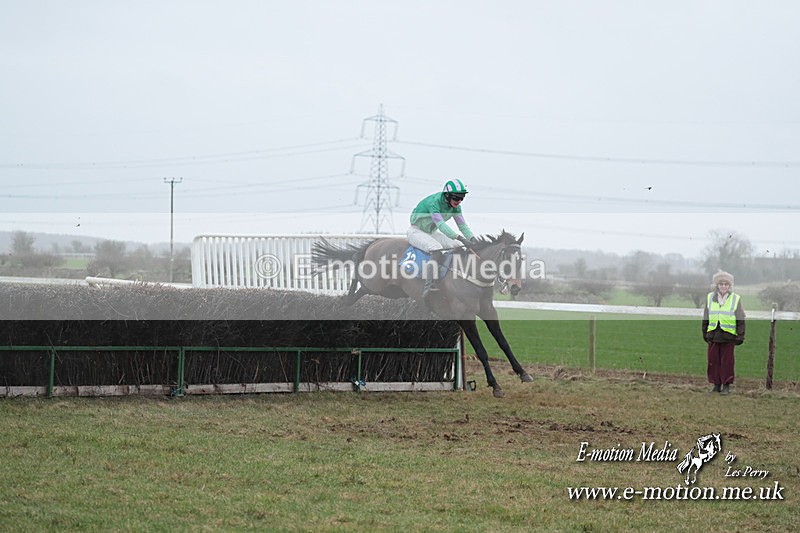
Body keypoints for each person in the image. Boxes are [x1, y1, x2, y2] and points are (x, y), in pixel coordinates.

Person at [407, 179, 477, 299]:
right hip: (416, 231)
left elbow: (462, 226)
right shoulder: (434, 202)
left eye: (461, 198)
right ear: (447, 195)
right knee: (436, 248)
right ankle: (428, 286)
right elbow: (441, 225)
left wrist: (473, 239)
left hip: (431, 233)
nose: (459, 201)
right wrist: (460, 237)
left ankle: (452, 278)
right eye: (456, 198)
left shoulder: (456, 208)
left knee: (457, 245)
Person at [702, 270, 745, 395]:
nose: (723, 287)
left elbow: (740, 318)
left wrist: (740, 335)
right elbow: (706, 316)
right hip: (713, 334)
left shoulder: (735, 299)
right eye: (721, 284)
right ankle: (716, 385)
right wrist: (705, 333)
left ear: (730, 286)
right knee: (713, 361)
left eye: (726, 284)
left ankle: (726, 385)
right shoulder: (710, 297)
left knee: (727, 362)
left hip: (728, 335)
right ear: (716, 285)